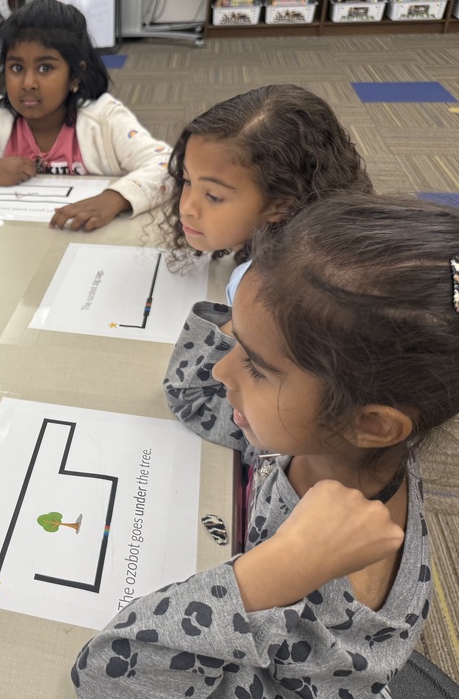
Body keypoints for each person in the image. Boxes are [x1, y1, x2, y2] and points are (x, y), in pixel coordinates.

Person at [72, 193, 459, 698]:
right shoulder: (324, 445)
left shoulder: (334, 609)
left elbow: (111, 677)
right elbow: (192, 396)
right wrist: (257, 318)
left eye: (255, 364)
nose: (220, 369)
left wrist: (264, 577)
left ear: (372, 423)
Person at [0, 0, 171, 232]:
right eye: (17, 68)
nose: (28, 82)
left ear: (74, 76)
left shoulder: (104, 120)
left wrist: (114, 198)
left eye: (45, 68)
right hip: (16, 242)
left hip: (85, 241)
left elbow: (168, 166)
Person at [159, 84, 372, 303]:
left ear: (281, 205)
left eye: (213, 196)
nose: (186, 207)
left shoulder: (274, 295)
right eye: (186, 180)